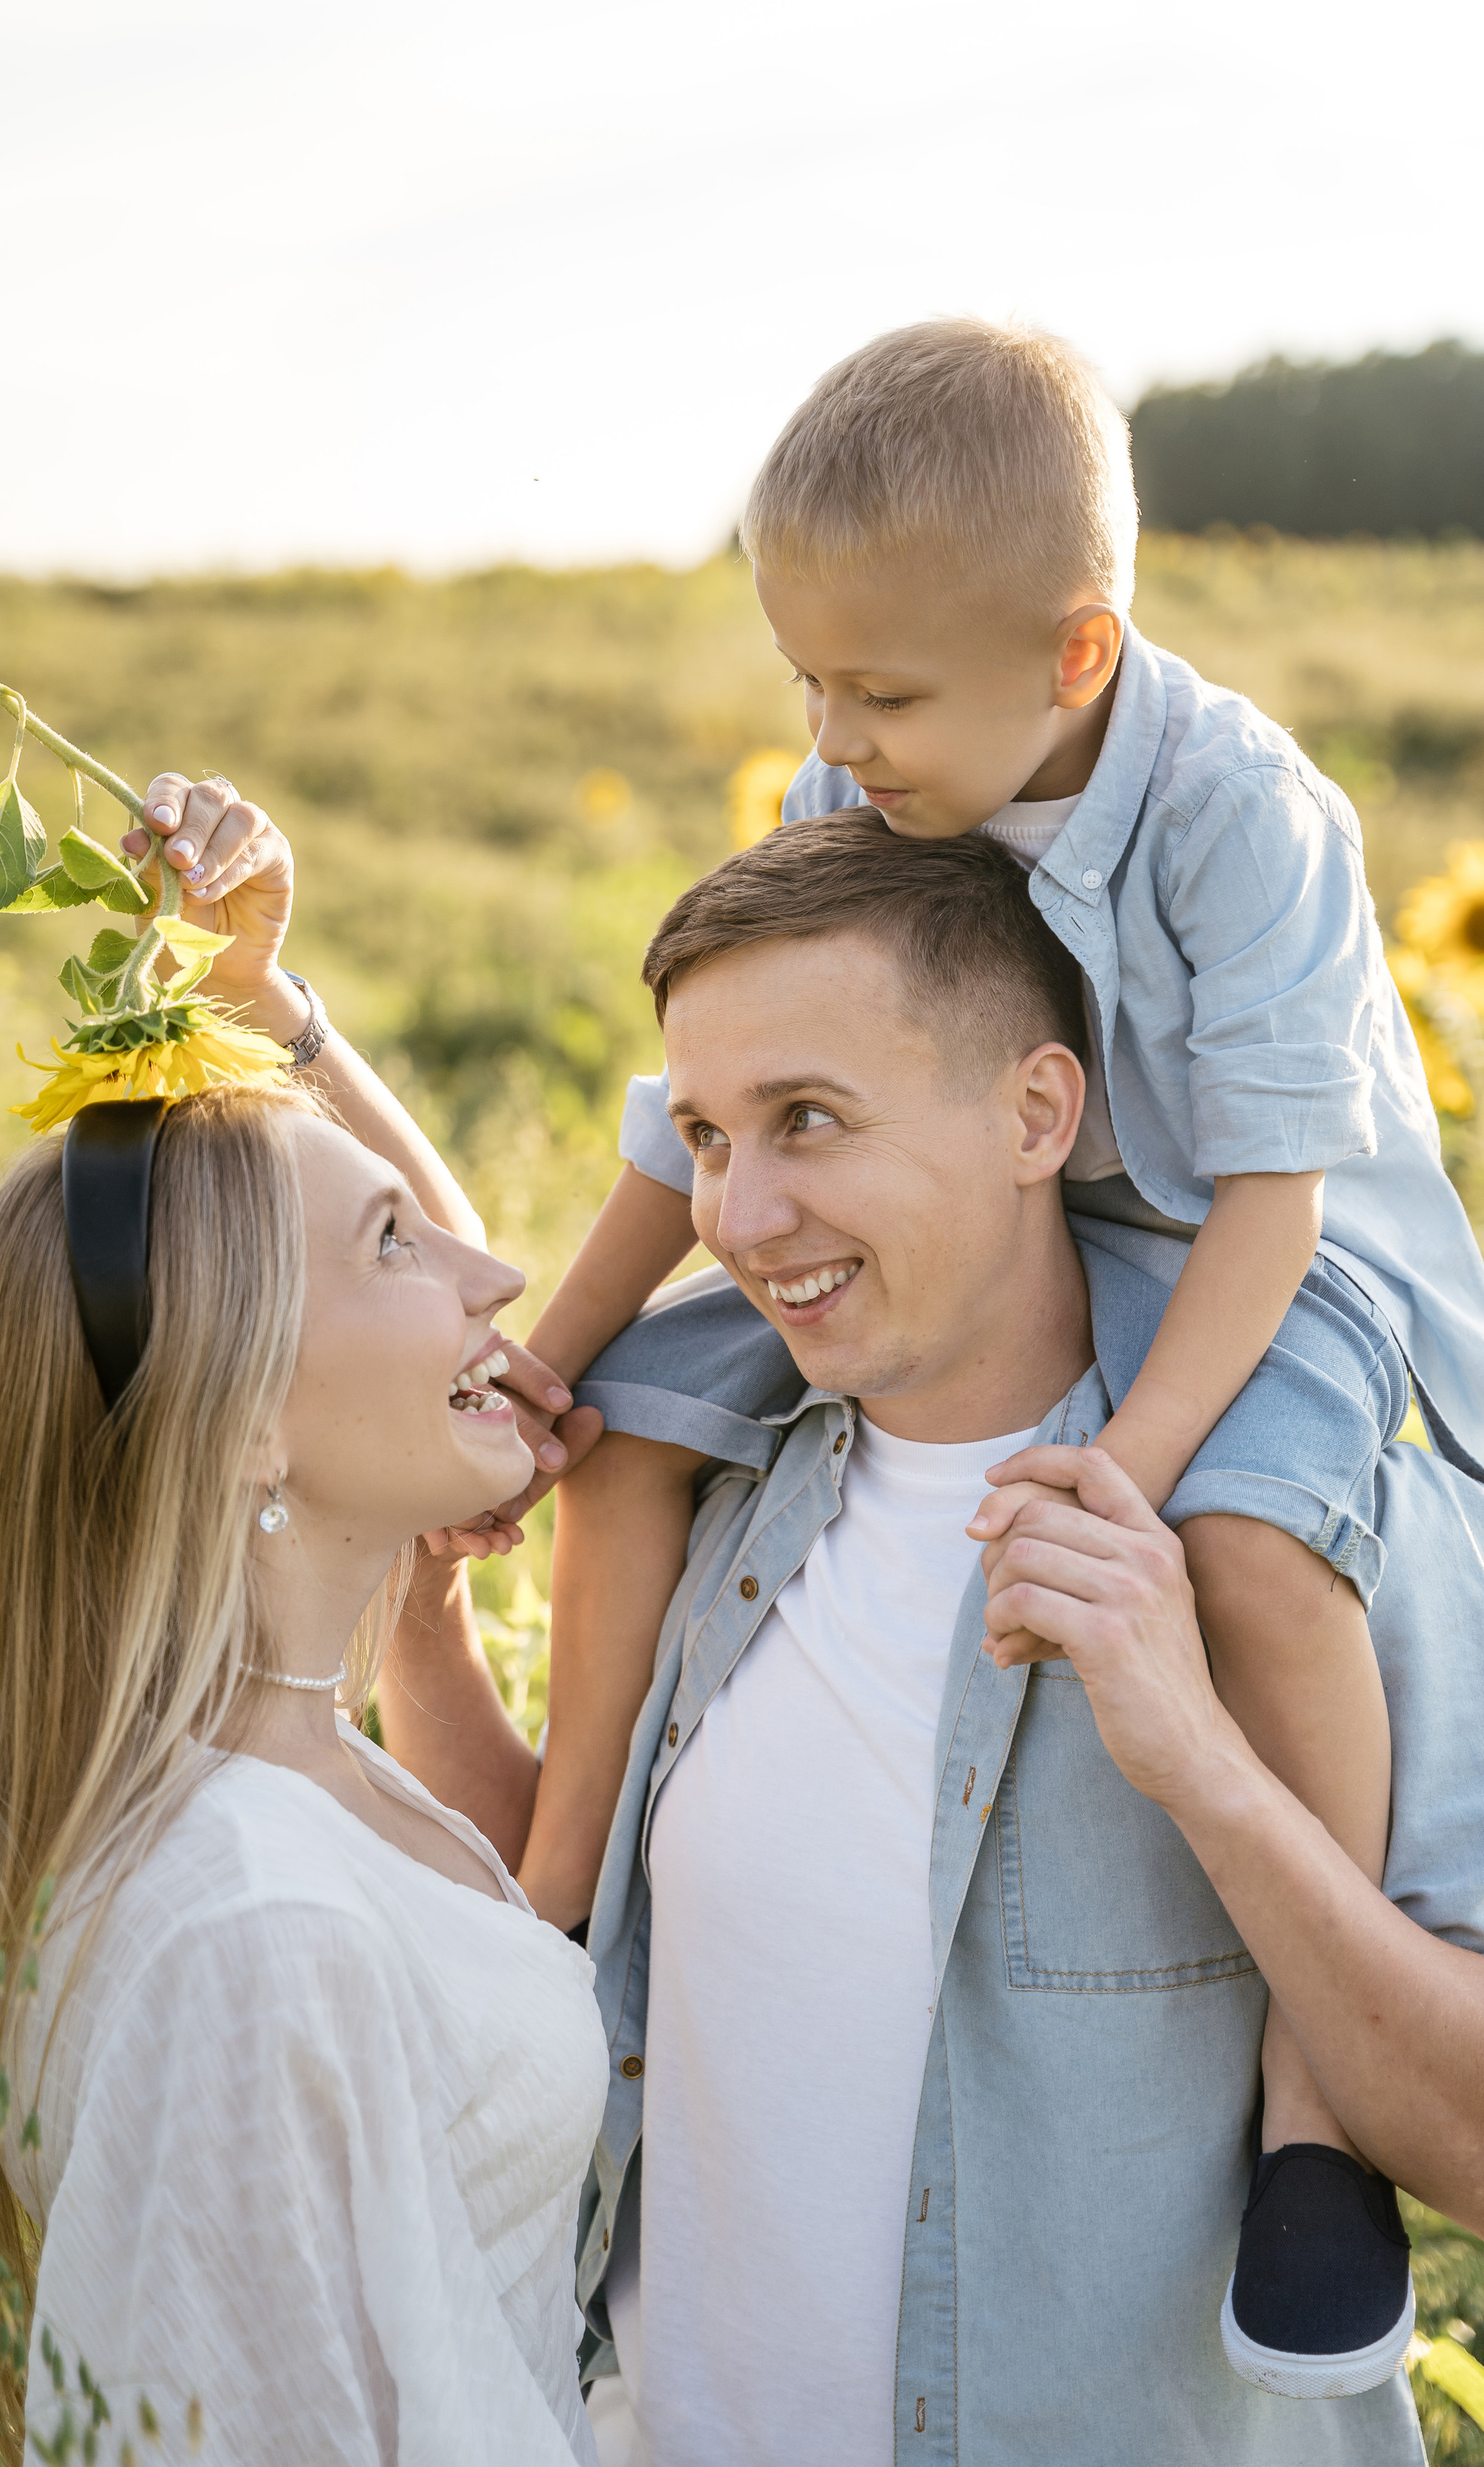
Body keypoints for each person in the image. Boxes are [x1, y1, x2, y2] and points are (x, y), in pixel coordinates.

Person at [518, 317, 1484, 2389]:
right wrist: (554, 1353)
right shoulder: (862, 780)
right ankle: (553, 1914)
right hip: (1046, 1219)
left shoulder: (1242, 814)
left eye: (877, 694)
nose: (831, 737)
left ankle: (1314, 2122)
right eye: (807, 681)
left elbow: (1277, 1196)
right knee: (629, 1425)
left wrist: (1127, 1468)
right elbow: (686, 1109)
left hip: (1289, 1266)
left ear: (1075, 655)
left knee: (1248, 1548)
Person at [561, 818, 1484, 2467]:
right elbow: (548, 1938)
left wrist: (1198, 1764)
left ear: (1036, 1115)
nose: (738, 1214)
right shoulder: (694, 1488)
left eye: (807, 1120)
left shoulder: (1311, 1531)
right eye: (702, 1135)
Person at [0, 781, 601, 2466]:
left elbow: (448, 1312)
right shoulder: (251, 1929)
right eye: (396, 1247)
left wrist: (266, 1003)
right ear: (247, 1420)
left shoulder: (291, 1763)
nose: (493, 1287)